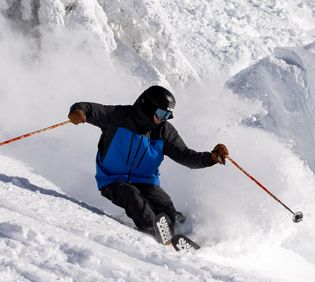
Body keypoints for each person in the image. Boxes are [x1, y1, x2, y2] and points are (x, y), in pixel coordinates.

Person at [67, 85, 228, 246]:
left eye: (168, 115)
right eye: (161, 113)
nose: (164, 119)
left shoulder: (165, 132)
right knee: (135, 199)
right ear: (147, 107)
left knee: (166, 207)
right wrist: (78, 113)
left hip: (146, 181)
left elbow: (185, 155)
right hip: (111, 179)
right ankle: (158, 237)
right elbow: (86, 108)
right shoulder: (118, 116)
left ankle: (191, 236)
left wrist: (210, 158)